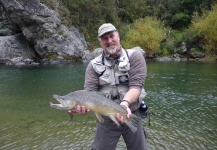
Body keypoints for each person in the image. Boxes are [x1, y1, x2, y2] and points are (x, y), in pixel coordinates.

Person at [69, 23, 147, 150]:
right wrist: (81, 108)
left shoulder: (134, 57)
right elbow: (89, 94)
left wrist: (125, 104)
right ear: (100, 42)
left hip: (131, 113)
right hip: (106, 119)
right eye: (105, 38)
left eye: (112, 36)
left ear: (118, 36)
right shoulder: (93, 66)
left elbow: (136, 86)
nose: (109, 41)